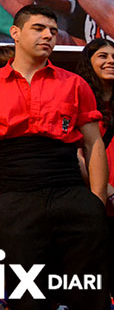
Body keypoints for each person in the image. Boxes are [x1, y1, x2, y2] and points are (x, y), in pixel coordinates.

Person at [0, 4, 109, 310]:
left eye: (54, 31)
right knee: (27, 297)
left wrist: (96, 199)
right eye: (39, 28)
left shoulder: (75, 84)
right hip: (17, 196)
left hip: (70, 191)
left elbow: (94, 143)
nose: (48, 36)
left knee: (87, 292)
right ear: (15, 33)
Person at [76, 38, 114, 301]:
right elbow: (75, 153)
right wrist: (105, 189)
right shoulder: (79, 100)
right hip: (91, 197)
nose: (111, 61)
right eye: (102, 56)